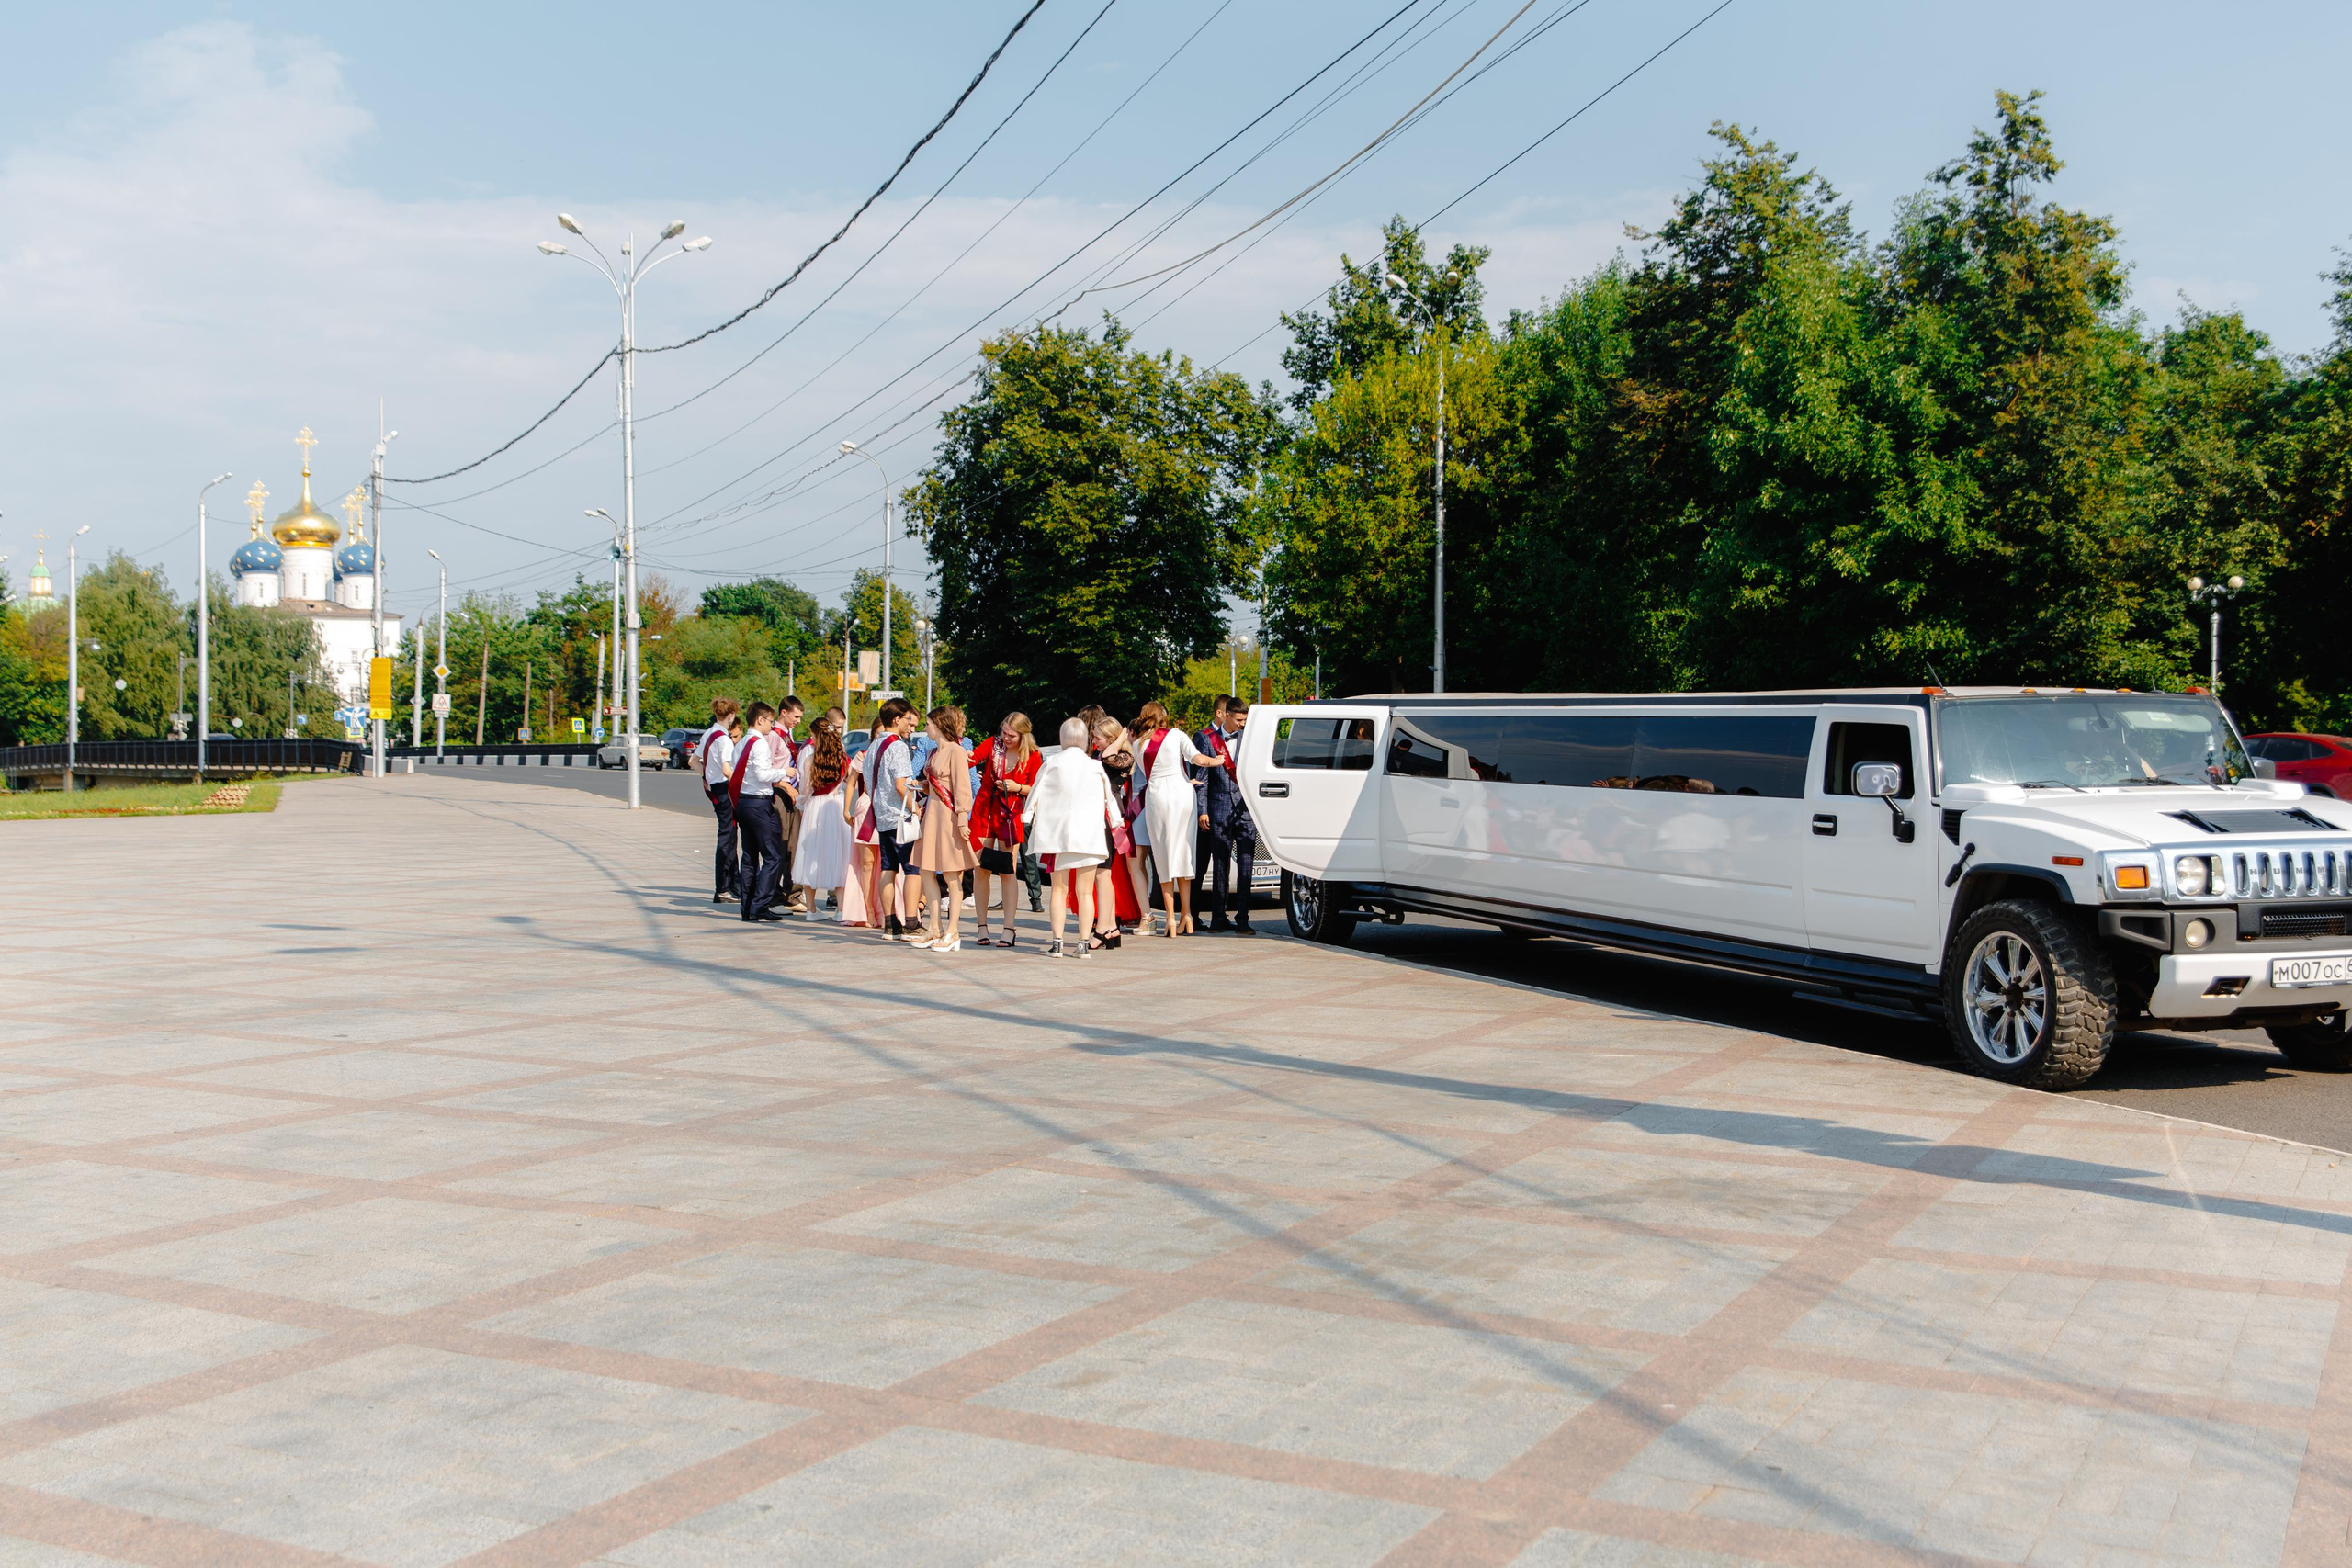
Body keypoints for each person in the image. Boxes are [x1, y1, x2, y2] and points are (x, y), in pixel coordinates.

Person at [1023, 716, 1118, 957]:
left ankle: (1057, 943)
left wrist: (1028, 815)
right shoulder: (1095, 766)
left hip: (1057, 835)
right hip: (1089, 835)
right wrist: (1116, 821)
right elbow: (1109, 798)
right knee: (1085, 892)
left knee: (1058, 889)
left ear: (1062, 737)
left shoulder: (1052, 763)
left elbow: (1035, 792)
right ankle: (1083, 945)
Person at [968, 711, 1041, 948]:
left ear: (1023, 735)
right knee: (981, 868)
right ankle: (982, 926)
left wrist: (1017, 786)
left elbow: (1037, 789)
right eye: (1004, 733)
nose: (1006, 738)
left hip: (1011, 815)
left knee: (1007, 871)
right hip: (984, 810)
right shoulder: (993, 744)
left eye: (1012, 735)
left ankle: (1009, 928)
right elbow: (971, 759)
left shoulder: (1033, 755)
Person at [910, 705, 978, 952]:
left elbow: (963, 787)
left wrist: (962, 819)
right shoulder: (933, 751)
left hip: (949, 817)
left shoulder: (956, 750)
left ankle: (953, 931)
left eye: (928, 724)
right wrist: (922, 786)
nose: (925, 728)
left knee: (951, 874)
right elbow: (936, 785)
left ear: (939, 725)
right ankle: (934, 928)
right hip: (932, 814)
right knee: (926, 870)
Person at [1133, 700, 1203, 935]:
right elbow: (1196, 759)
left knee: (1163, 856)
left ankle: (1170, 919)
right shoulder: (1177, 735)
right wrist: (1217, 761)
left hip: (1157, 797)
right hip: (1182, 794)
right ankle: (1187, 913)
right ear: (1163, 716)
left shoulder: (1138, 744)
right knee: (1184, 851)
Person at [1193, 695, 1256, 934]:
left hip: (1245, 810)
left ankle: (1243, 919)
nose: (1242, 724)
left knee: (1246, 866)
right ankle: (1218, 918)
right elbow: (1202, 779)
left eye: (1244, 720)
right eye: (1239, 720)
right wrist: (1202, 811)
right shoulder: (1209, 740)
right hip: (1218, 809)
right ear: (1226, 715)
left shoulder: (1249, 739)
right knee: (1220, 866)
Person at [729, 701, 795, 922]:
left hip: (743, 801)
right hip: (758, 802)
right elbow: (763, 774)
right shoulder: (760, 744)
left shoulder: (742, 742)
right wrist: (783, 772)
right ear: (760, 719)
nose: (771, 725)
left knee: (749, 856)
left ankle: (747, 906)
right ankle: (760, 904)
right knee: (772, 855)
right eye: (769, 721)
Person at [865, 697, 922, 940]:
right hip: (900, 816)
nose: (912, 726)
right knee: (912, 869)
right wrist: (915, 807)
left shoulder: (874, 745)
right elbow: (901, 785)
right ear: (897, 719)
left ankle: (890, 924)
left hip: (881, 814)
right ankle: (911, 922)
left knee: (888, 868)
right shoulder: (897, 746)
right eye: (909, 720)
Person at [796, 719, 854, 921]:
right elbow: (850, 782)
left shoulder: (811, 759)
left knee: (811, 854)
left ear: (816, 735)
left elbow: (805, 790)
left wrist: (800, 804)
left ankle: (811, 909)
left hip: (815, 807)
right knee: (839, 855)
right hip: (835, 805)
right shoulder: (842, 758)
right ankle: (840, 910)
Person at [1089, 715, 1135, 947]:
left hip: (1109, 819)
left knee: (1102, 873)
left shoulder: (1123, 757)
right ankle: (1111, 928)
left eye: (1098, 738)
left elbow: (1108, 757)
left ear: (1111, 738)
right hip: (1100, 816)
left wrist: (1119, 740)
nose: (1095, 742)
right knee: (1103, 873)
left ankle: (1103, 929)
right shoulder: (1105, 755)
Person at [697, 697, 741, 906]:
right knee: (727, 838)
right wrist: (741, 783)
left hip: (714, 788)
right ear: (731, 715)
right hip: (725, 790)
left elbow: (693, 761)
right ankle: (723, 888)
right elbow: (726, 769)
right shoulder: (724, 739)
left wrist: (705, 776)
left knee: (729, 836)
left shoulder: (708, 734)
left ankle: (732, 885)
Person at [772, 695, 806, 906]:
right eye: (796, 716)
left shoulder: (786, 735)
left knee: (793, 845)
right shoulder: (773, 736)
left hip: (792, 792)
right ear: (783, 712)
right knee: (781, 845)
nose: (798, 721)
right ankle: (775, 895)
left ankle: (791, 894)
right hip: (780, 791)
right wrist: (786, 786)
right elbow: (765, 770)